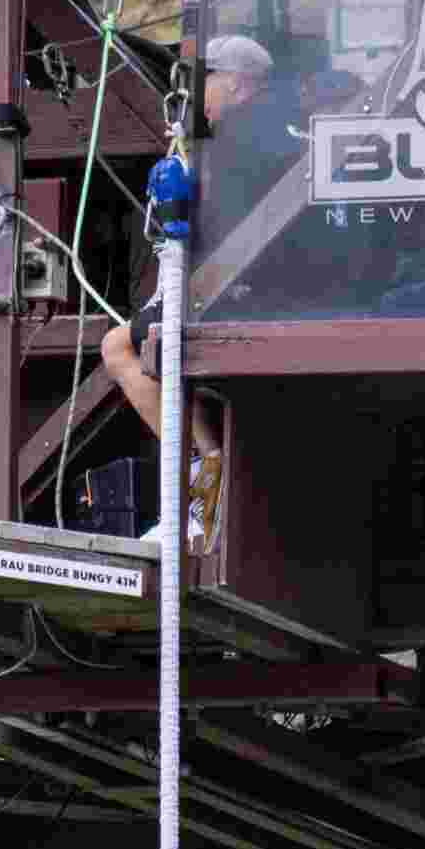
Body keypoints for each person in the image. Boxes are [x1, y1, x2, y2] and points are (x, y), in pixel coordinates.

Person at [97, 36, 281, 552]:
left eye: (205, 81)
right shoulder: (252, 134)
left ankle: (206, 471)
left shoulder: (236, 142)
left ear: (238, 85)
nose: (191, 93)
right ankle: (207, 468)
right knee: (135, 343)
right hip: (257, 287)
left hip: (246, 294)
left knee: (120, 346)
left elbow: (217, 231)